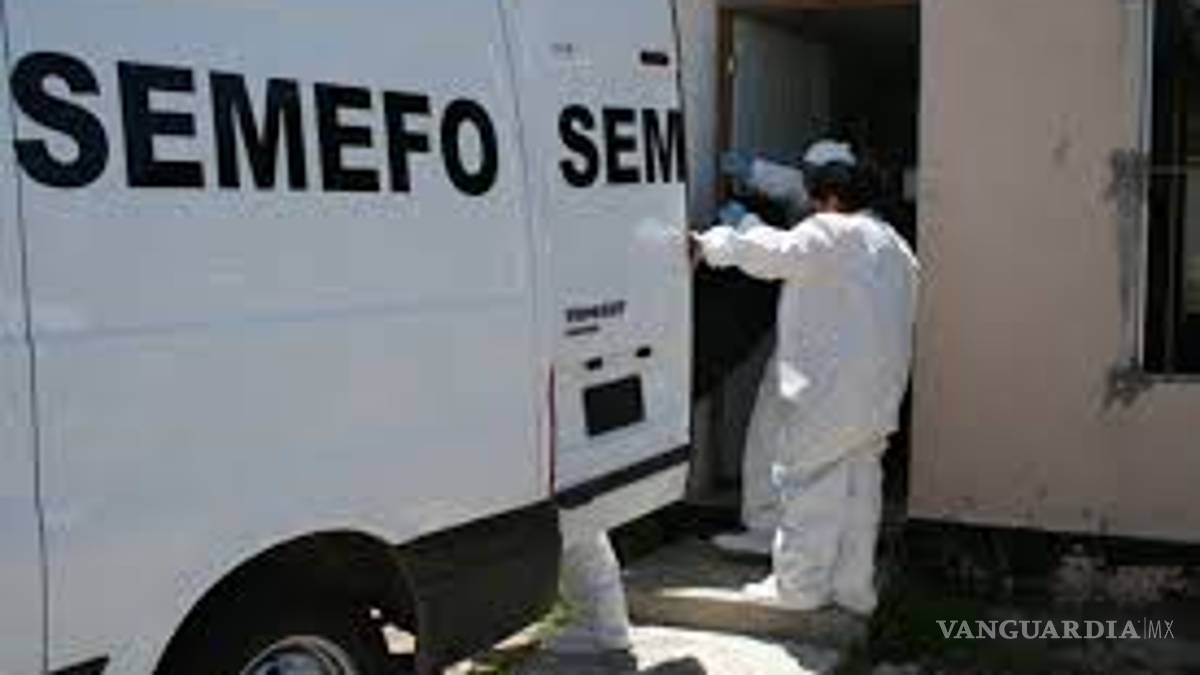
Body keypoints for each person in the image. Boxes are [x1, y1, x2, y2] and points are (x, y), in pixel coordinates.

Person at [692, 151, 919, 615]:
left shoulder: (832, 231)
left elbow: (773, 254)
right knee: (859, 492)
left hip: (829, 395)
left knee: (809, 485)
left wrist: (717, 239)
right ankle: (853, 589)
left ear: (831, 200)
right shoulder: (896, 247)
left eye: (816, 202)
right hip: (879, 396)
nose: (813, 210)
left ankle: (797, 588)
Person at [710, 140, 860, 560]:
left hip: (811, 343)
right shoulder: (859, 214)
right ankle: (821, 534)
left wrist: (743, 227)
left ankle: (767, 527)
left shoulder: (835, 230)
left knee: (773, 432)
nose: (806, 191)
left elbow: (780, 253)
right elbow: (787, 183)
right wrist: (751, 170)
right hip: (839, 348)